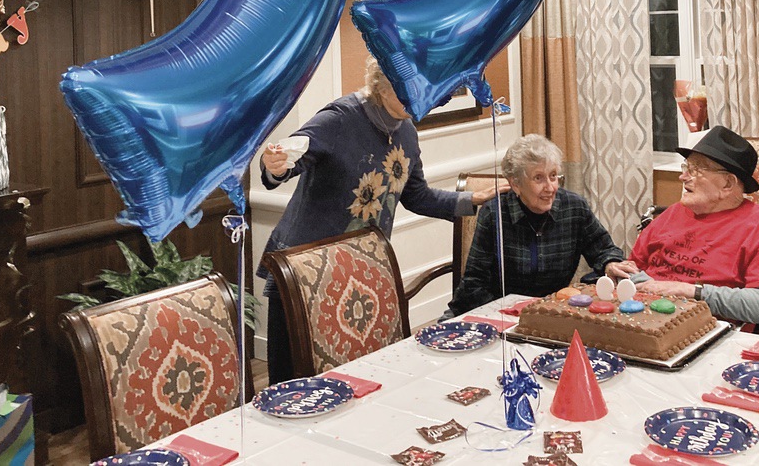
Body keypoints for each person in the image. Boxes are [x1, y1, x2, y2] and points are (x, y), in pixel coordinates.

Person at [256, 57, 504, 383]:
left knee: (351, 375)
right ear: (380, 85)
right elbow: (288, 159)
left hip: (357, 270)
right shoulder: (339, 119)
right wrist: (274, 165)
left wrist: (471, 199)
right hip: (305, 268)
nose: (417, 99)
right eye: (408, 91)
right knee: (292, 379)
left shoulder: (407, 133)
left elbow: (417, 196)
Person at [447, 134, 637, 315]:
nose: (550, 187)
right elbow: (474, 284)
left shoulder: (573, 207)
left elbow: (603, 249)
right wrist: (511, 312)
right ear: (516, 184)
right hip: (496, 310)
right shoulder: (495, 213)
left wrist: (610, 263)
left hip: (550, 312)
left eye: (553, 176)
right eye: (538, 178)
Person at [631, 125, 759, 327]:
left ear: (727, 184)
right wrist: (621, 272)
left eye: (696, 169)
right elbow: (633, 269)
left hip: (706, 330)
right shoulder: (672, 213)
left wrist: (690, 291)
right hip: (640, 319)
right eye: (686, 167)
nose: (683, 177)